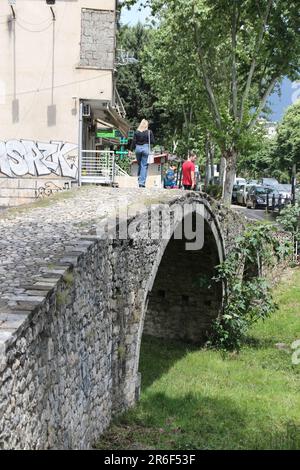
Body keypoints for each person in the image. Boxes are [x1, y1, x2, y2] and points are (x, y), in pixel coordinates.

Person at [130, 119, 154, 188]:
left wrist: (131, 150)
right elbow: (152, 141)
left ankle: (139, 177)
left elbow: (133, 142)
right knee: (144, 166)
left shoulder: (136, 132)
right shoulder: (149, 132)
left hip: (138, 149)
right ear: (147, 125)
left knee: (140, 164)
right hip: (146, 148)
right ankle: (141, 183)